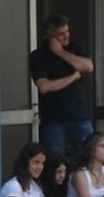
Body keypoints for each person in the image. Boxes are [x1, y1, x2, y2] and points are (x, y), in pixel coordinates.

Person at [30, 14, 95, 157]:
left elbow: (88, 66)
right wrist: (73, 77)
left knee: (90, 154)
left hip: (79, 115)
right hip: (53, 120)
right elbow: (44, 86)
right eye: (61, 34)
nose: (66, 36)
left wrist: (60, 52)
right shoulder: (38, 56)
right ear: (50, 36)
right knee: (55, 159)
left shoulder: (74, 48)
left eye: (67, 31)